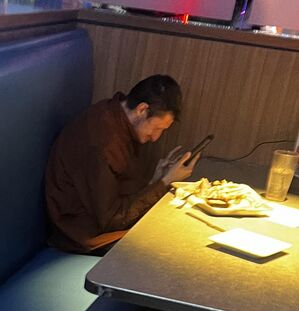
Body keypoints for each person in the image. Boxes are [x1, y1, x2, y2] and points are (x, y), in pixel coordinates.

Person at [45, 74, 200, 256]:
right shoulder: (102, 144)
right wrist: (165, 182)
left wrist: (157, 179)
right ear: (142, 109)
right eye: (157, 128)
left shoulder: (113, 113)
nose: (155, 137)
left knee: (184, 227)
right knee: (175, 251)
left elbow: (121, 192)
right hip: (85, 236)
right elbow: (112, 219)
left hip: (105, 223)